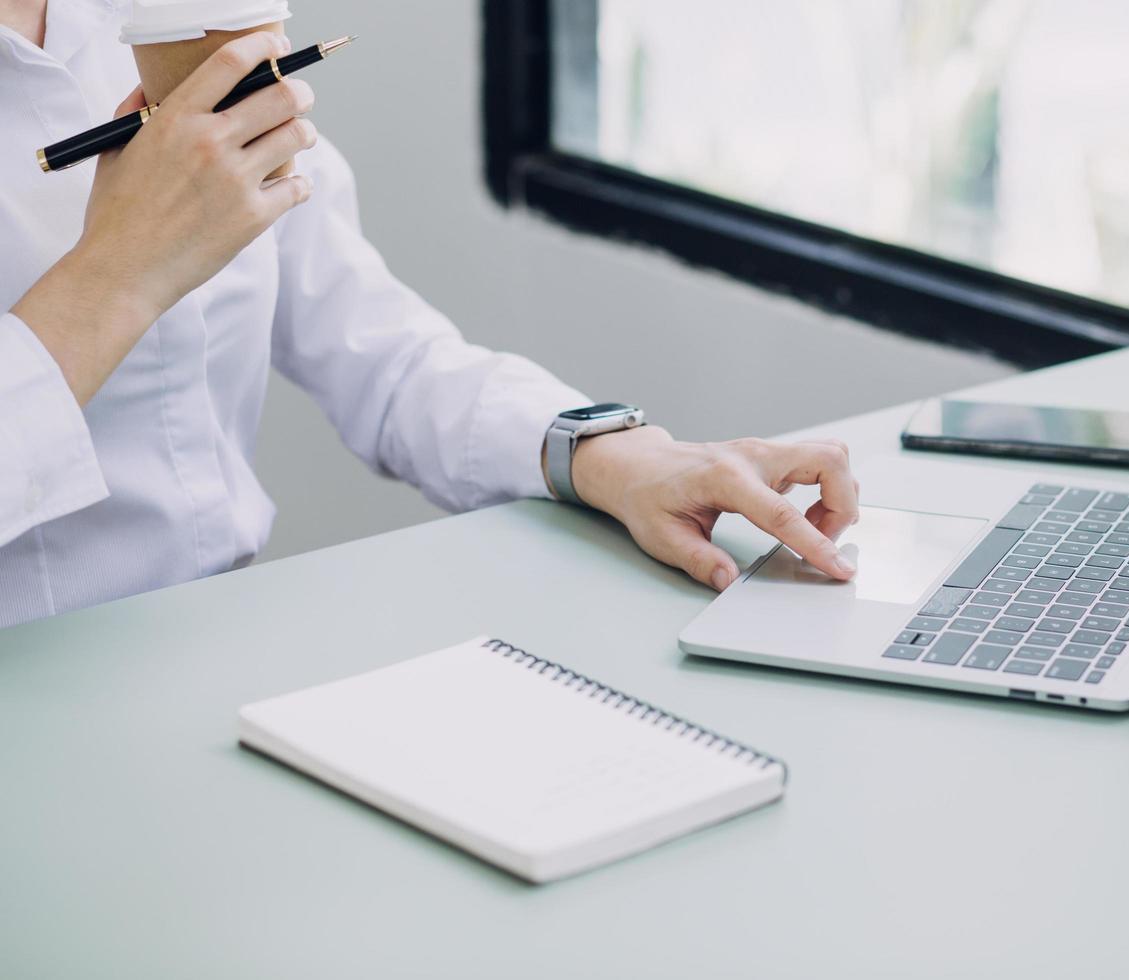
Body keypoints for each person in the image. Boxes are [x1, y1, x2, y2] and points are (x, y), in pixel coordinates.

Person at [0, 3, 859, 630]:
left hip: (220, 649)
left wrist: (618, 456)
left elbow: (389, 358)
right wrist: (116, 273)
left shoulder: (161, 25)